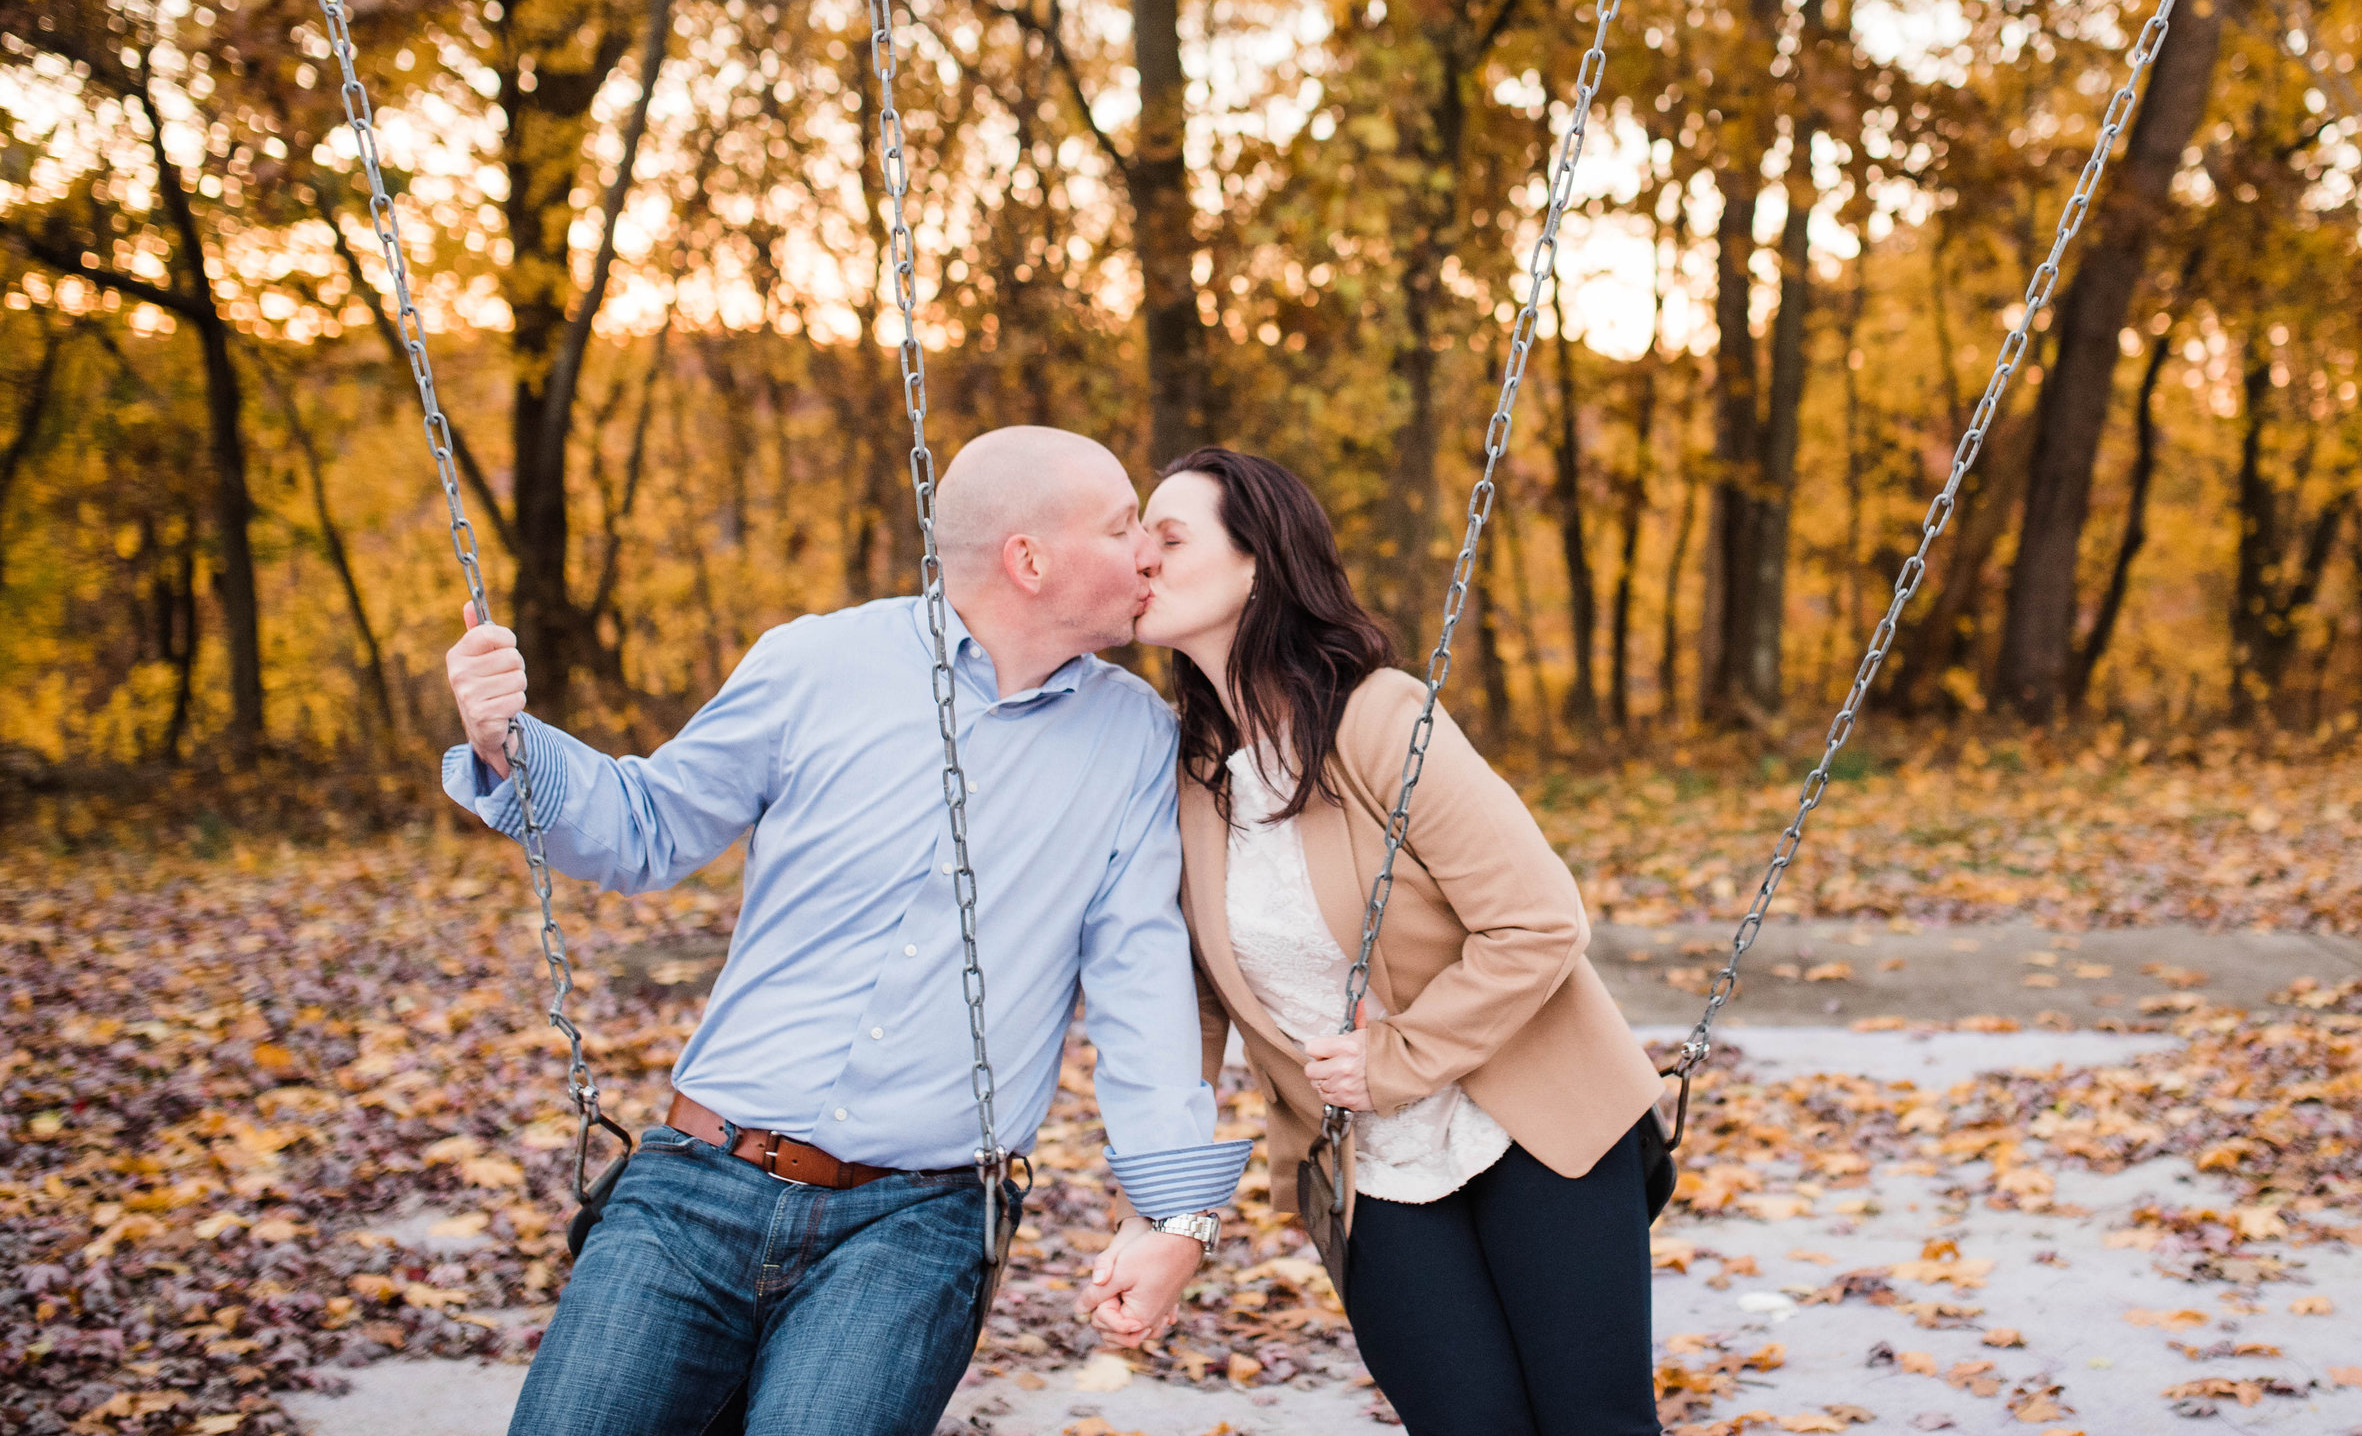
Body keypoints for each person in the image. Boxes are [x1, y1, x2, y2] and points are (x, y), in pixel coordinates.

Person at [439, 425, 1251, 1436]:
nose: (1146, 553)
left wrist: (1175, 1214)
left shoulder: (1132, 739)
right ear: (1028, 559)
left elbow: (1140, 987)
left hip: (918, 1224)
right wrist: (506, 742)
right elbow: (645, 831)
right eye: (1124, 524)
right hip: (698, 1185)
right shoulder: (816, 663)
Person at [1093, 446, 1668, 1436]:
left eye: (1171, 536)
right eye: (1135, 533)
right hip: (1369, 1163)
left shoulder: (1376, 718)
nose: (1141, 555)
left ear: (1258, 564)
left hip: (1530, 1116)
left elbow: (1536, 920)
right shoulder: (1187, 776)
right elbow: (1184, 1007)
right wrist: (1159, 1204)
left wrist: (1394, 1058)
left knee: (1593, 1425)